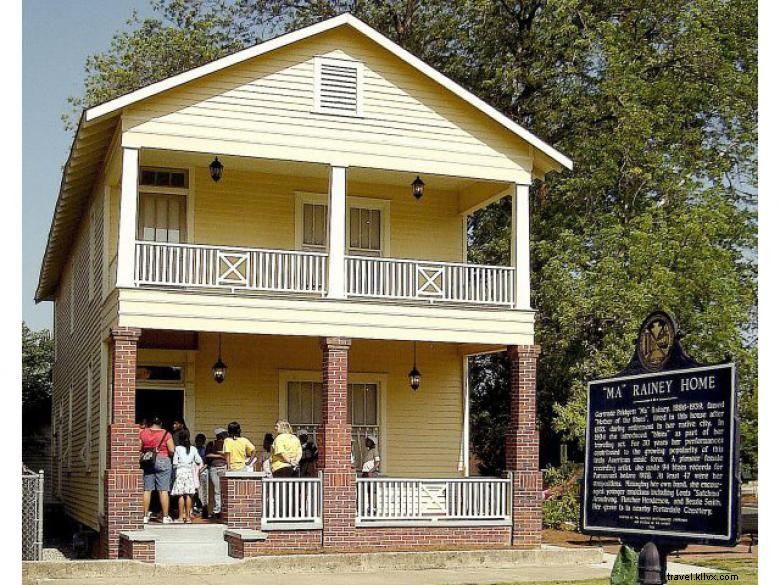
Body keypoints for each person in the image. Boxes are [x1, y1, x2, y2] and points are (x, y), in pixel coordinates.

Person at [139, 416, 175, 524]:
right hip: (163, 459)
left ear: (151, 423)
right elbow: (172, 450)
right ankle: (165, 517)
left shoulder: (143, 433)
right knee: (163, 490)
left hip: (148, 460)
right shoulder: (166, 434)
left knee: (147, 489)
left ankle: (144, 516)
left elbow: (139, 447)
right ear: (161, 424)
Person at [171, 429, 203, 523]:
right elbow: (199, 460)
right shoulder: (193, 449)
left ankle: (181, 517)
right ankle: (188, 517)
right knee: (189, 494)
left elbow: (175, 463)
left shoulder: (177, 448)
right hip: (189, 472)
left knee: (180, 494)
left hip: (180, 471)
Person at [204, 428, 228, 518]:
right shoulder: (211, 444)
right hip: (214, 468)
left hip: (224, 467)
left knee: (223, 489)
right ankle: (217, 509)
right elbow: (208, 455)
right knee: (216, 489)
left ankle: (223, 508)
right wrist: (220, 455)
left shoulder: (227, 444)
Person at [193, 433, 207, 515]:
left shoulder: (204, 450)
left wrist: (201, 470)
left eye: (201, 441)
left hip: (202, 471)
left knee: (202, 490)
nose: (198, 442)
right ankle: (194, 505)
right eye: (197, 440)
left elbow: (206, 462)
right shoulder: (192, 449)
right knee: (194, 490)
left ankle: (201, 506)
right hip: (193, 471)